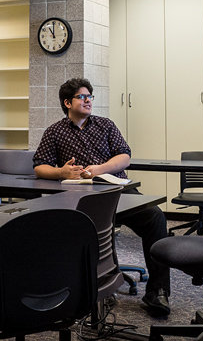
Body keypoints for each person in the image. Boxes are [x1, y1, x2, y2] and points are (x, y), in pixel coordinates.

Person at [33, 77, 172, 316]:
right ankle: (81, 289)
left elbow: (124, 156)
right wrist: (61, 172)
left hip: (117, 191)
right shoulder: (54, 132)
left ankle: (157, 292)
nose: (88, 100)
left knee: (155, 218)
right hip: (80, 197)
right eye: (81, 96)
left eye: (90, 96)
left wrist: (100, 168)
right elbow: (39, 167)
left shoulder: (105, 125)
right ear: (67, 102)